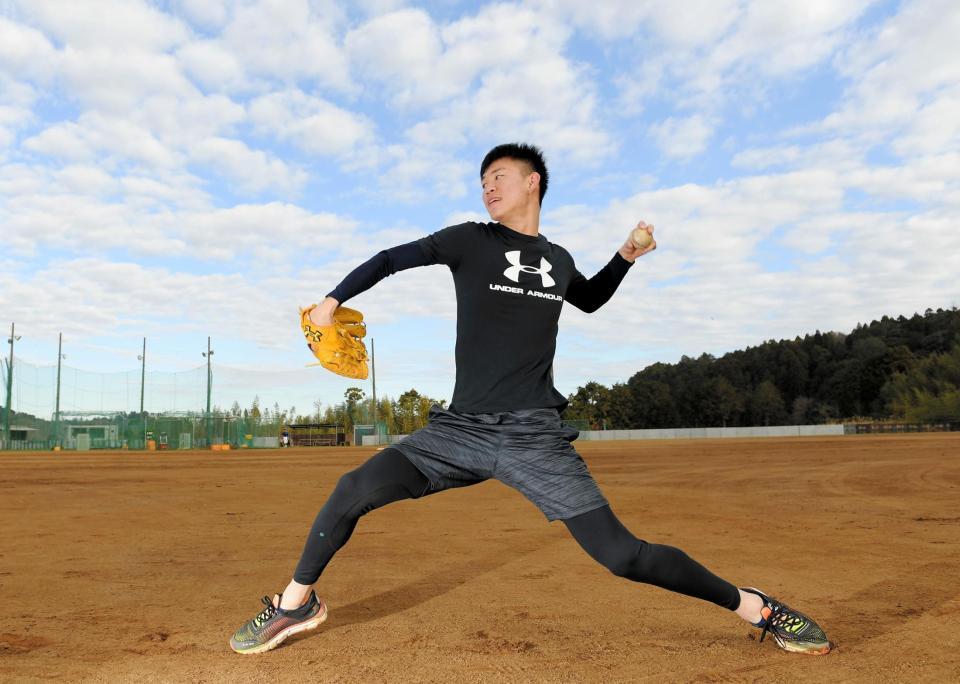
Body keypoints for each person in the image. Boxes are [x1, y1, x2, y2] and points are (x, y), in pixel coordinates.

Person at [229, 143, 832, 656]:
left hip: (533, 437)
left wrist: (625, 257)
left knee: (623, 556)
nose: (487, 188)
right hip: (459, 431)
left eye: (498, 177)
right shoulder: (470, 240)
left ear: (532, 182)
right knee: (352, 489)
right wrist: (331, 301)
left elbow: (589, 298)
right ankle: (295, 604)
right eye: (482, 182)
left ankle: (756, 606)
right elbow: (393, 258)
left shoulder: (558, 259)